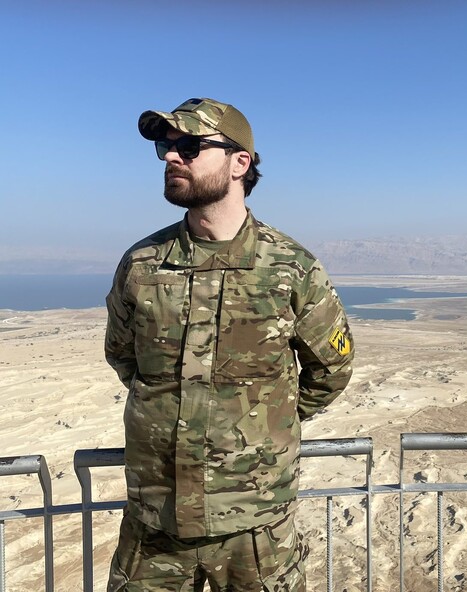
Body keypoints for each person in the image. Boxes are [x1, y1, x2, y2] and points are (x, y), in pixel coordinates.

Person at [104, 97, 355, 591]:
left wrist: (263, 423)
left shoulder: (289, 268)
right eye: (166, 146)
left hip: (255, 529)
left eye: (190, 146)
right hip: (156, 525)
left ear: (241, 163)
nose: (173, 157)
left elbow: (332, 369)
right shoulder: (142, 264)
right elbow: (123, 356)